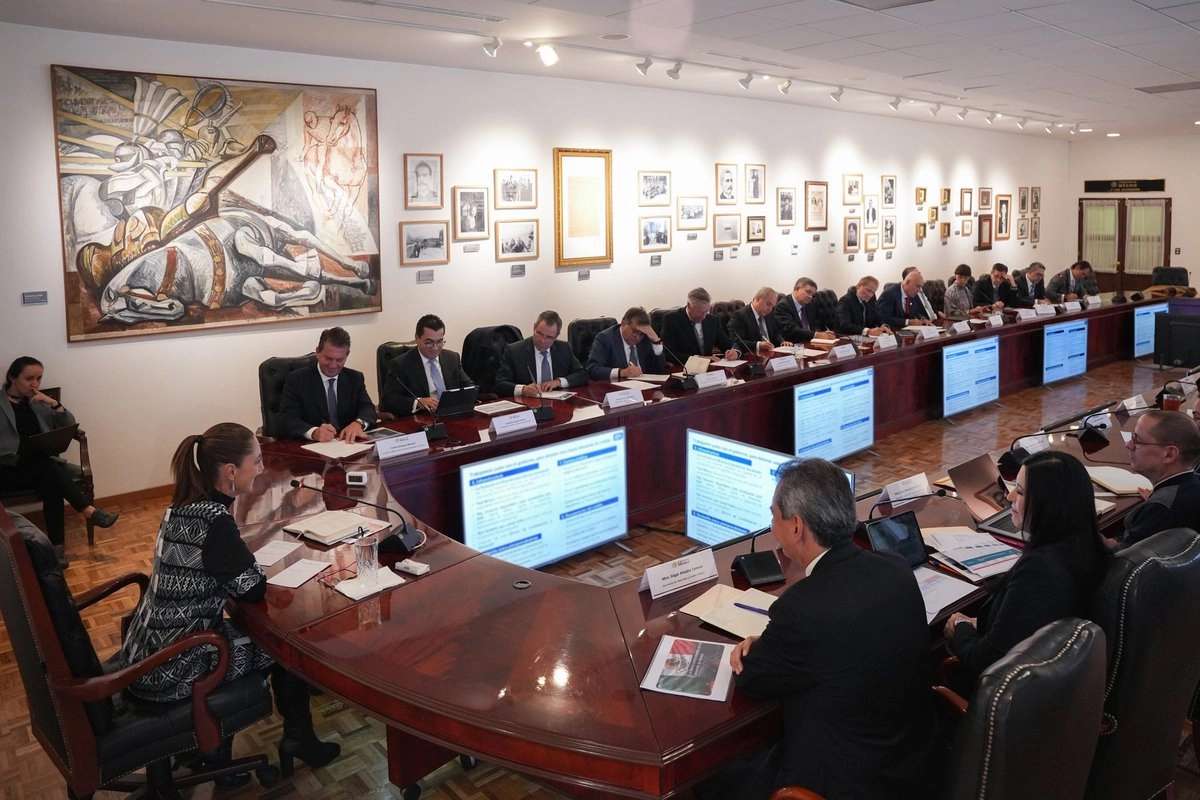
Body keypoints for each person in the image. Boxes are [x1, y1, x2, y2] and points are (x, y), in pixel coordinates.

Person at [119, 423, 340, 777]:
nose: (262, 468)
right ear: (230, 471)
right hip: (175, 668)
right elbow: (252, 589)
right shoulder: (215, 521)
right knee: (286, 649)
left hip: (145, 652)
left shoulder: (180, 506)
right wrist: (250, 563)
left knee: (253, 636)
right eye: (257, 461)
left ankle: (215, 750)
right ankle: (299, 740)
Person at [725, 458, 935, 799]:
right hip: (913, 766)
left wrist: (756, 647)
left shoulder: (801, 608)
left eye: (773, 516)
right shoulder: (895, 568)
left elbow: (753, 679)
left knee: (719, 778)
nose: (772, 526)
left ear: (796, 526)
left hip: (844, 783)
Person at [945, 451, 1107, 685]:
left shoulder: (1040, 571)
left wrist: (960, 628)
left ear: (1047, 504)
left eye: (1020, 492)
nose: (1009, 496)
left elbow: (988, 660)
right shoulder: (1087, 545)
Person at [1, 356, 117, 564]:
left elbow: (69, 425)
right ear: (12, 377)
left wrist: (54, 404)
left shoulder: (38, 402)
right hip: (8, 469)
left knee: (51, 480)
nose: (35, 384)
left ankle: (57, 550)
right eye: (29, 378)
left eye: (39, 378)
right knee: (50, 471)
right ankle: (88, 512)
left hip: (40, 467)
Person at [278, 327, 377, 442]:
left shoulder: (354, 378)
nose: (333, 365)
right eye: (328, 359)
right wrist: (314, 432)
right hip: (312, 446)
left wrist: (358, 423)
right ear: (317, 352)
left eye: (339, 360)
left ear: (347, 355)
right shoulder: (297, 380)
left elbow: (368, 408)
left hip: (347, 443)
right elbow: (287, 419)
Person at [1118, 410, 1200, 546]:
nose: (1129, 445)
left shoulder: (1160, 510)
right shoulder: (1194, 482)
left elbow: (1120, 557)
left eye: (1136, 440)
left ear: (1169, 454)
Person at [381, 314, 473, 417]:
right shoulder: (400, 364)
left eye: (439, 342)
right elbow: (388, 401)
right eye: (429, 343)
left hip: (451, 415)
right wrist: (418, 402)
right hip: (421, 419)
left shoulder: (452, 358)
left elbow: (469, 387)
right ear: (417, 338)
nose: (435, 348)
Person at [495, 310, 588, 397]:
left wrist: (559, 382)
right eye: (539, 333)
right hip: (528, 403)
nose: (542, 340)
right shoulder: (514, 351)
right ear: (534, 328)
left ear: (556, 336)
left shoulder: (564, 348)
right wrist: (522, 389)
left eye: (549, 337)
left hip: (558, 403)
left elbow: (582, 374)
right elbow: (500, 384)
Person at [586, 307, 667, 381]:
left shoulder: (646, 338)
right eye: (634, 331)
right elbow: (593, 369)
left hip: (645, 386)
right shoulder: (605, 338)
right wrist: (621, 372)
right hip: (617, 388)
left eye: (641, 334)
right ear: (623, 323)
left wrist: (656, 342)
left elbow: (660, 370)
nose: (637, 337)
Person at [660, 287, 741, 362]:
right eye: (700, 312)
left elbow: (727, 344)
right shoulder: (671, 320)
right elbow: (668, 353)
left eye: (706, 312)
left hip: (710, 369)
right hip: (684, 368)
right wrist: (701, 359)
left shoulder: (712, 320)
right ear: (689, 305)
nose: (704, 316)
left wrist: (735, 352)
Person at [728, 287, 792, 354]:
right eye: (768, 304)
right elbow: (737, 341)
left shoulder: (769, 314)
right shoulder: (739, 316)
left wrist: (782, 342)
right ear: (757, 299)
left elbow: (775, 333)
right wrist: (758, 345)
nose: (770, 309)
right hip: (754, 356)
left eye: (772, 306)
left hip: (771, 355)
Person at [773, 278, 833, 344]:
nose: (810, 297)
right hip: (793, 345)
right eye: (808, 292)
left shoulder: (810, 305)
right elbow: (791, 330)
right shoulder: (783, 305)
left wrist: (823, 333)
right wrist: (816, 335)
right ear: (797, 289)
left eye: (812, 295)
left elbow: (815, 324)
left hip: (810, 344)